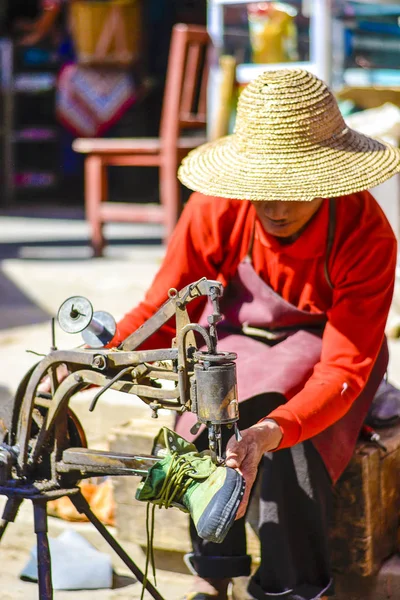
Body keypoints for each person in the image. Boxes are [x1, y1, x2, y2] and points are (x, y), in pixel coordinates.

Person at [46, 68, 400, 599]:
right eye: (263, 191)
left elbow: (344, 366)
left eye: (292, 191)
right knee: (211, 419)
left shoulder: (365, 233)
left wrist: (273, 431)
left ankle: (294, 588)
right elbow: (165, 307)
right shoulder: (217, 206)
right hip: (234, 336)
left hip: (328, 347)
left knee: (289, 451)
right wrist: (97, 359)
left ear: (328, 181)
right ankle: (213, 575)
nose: (275, 208)